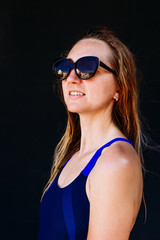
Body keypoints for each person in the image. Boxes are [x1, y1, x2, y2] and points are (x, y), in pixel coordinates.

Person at [38, 26, 144, 240]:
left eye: (87, 67)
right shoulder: (72, 156)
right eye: (65, 68)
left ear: (119, 88)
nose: (72, 78)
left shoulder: (115, 162)